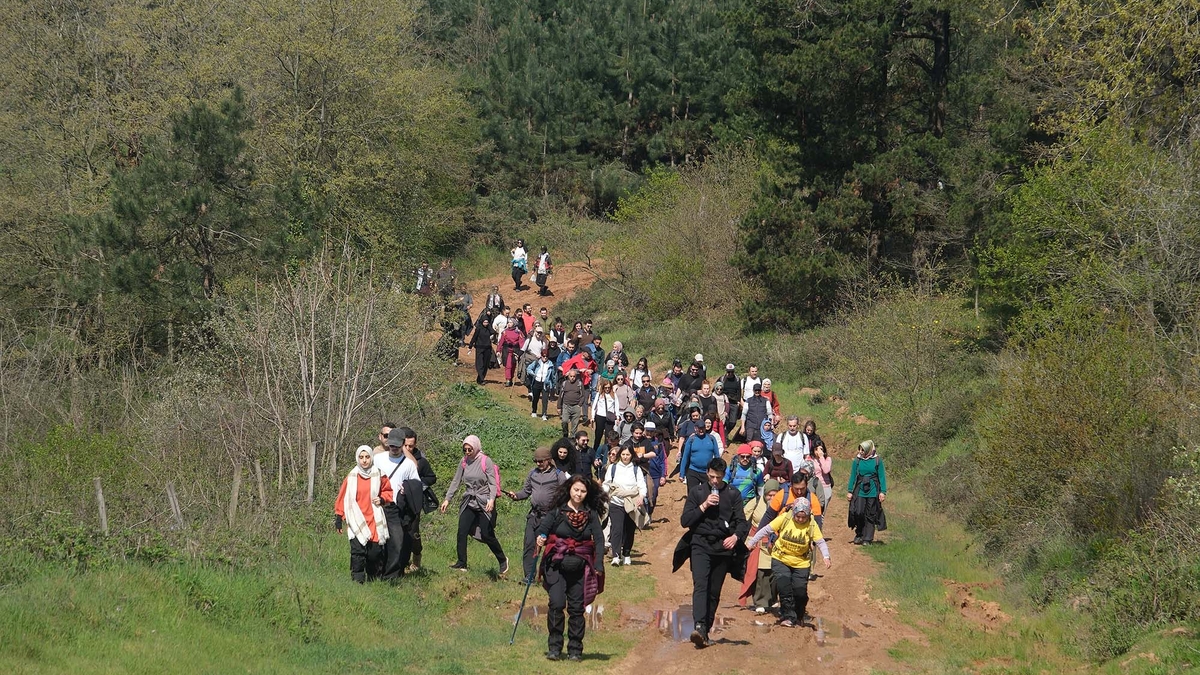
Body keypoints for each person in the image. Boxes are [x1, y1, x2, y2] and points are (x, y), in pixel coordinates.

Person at [673, 457, 749, 648]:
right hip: (700, 545)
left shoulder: (733, 494)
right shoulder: (697, 492)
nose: (715, 481)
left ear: (724, 476)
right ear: (707, 472)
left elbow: (742, 522)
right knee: (701, 585)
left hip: (723, 549)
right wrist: (704, 505)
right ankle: (698, 625)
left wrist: (735, 538)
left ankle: (704, 632)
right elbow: (685, 521)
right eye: (712, 476)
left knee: (714, 592)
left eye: (719, 477)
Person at [536, 476, 607, 662]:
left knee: (576, 609)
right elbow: (543, 529)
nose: (579, 494)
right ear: (569, 489)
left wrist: (598, 563)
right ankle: (554, 648)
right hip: (556, 567)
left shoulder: (590, 514)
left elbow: (599, 539)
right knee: (557, 604)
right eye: (576, 490)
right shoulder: (558, 511)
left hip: (580, 569)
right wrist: (541, 537)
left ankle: (575, 650)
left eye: (583, 491)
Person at [745, 498, 831, 627]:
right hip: (781, 559)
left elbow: (820, 541)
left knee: (800, 592)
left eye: (804, 517)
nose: (801, 520)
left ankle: (799, 614)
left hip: (801, 563)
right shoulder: (785, 518)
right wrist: (752, 542)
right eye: (798, 517)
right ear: (794, 513)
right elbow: (765, 530)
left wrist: (826, 556)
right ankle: (788, 616)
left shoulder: (812, 524)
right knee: (784, 587)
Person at [440, 435, 509, 575]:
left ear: (476, 447)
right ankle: (462, 563)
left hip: (485, 502)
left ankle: (502, 560)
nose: (467, 452)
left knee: (487, 534)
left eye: (469, 449)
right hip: (469, 501)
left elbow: (492, 482)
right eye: (464, 450)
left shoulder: (486, 461)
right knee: (462, 531)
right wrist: (447, 499)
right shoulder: (464, 462)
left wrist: (491, 499)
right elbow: (456, 481)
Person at [506, 447, 567, 581]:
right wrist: (516, 496)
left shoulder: (558, 475)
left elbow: (566, 495)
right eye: (536, 461)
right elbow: (526, 492)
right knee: (529, 545)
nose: (538, 463)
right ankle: (529, 576)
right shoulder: (532, 473)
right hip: (534, 515)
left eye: (541, 461)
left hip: (550, 517)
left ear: (548, 460)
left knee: (548, 548)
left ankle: (550, 575)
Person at [334, 446, 393, 582]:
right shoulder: (351, 476)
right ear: (357, 459)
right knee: (357, 552)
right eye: (361, 457)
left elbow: (388, 491)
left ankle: (373, 578)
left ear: (371, 457)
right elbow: (343, 497)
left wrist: (383, 498)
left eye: (367, 457)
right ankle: (358, 580)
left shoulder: (380, 474)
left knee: (374, 553)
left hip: (373, 518)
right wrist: (339, 516)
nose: (364, 461)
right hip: (355, 518)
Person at [373, 428, 420, 579]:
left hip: (396, 507)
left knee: (396, 542)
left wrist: (406, 489)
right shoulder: (378, 459)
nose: (393, 448)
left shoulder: (409, 465)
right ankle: (376, 573)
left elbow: (416, 486)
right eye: (391, 445)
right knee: (378, 542)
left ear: (402, 445)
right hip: (378, 505)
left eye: (397, 446)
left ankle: (391, 576)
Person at [601, 446, 647, 566]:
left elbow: (641, 485)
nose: (625, 457)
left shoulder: (636, 469)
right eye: (623, 454)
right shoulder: (613, 468)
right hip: (616, 502)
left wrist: (641, 497)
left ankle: (626, 554)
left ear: (631, 455)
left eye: (627, 454)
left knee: (629, 529)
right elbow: (606, 484)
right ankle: (616, 555)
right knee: (617, 529)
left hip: (631, 503)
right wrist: (605, 495)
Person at [740, 479, 781, 613]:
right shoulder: (756, 502)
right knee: (759, 573)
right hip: (757, 542)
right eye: (769, 495)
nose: (772, 498)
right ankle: (760, 602)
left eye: (775, 495)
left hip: (775, 543)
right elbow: (743, 516)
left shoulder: (783, 505)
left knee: (774, 573)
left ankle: (773, 600)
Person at [847, 440, 888, 545]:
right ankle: (859, 533)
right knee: (859, 512)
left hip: (873, 490)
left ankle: (867, 538)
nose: (861, 452)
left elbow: (882, 476)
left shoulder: (877, 460)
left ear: (869, 450)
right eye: (860, 449)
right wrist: (850, 491)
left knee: (870, 514)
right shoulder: (857, 460)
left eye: (863, 450)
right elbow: (853, 476)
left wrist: (883, 492)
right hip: (860, 489)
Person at [679, 415, 720, 490]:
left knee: (707, 494)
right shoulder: (691, 440)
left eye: (703, 428)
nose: (701, 430)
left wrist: (718, 471)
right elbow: (685, 457)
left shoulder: (711, 439)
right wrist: (682, 473)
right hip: (693, 471)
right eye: (699, 428)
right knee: (692, 494)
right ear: (695, 428)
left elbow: (717, 456)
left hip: (707, 472)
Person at [591, 380, 620, 452]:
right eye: (605, 387)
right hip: (600, 416)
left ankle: (606, 451)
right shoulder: (599, 394)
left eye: (609, 388)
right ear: (603, 387)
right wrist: (592, 416)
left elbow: (617, 405)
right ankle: (595, 450)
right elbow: (594, 405)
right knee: (598, 434)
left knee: (609, 435)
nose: (607, 389)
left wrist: (617, 416)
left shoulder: (613, 395)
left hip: (610, 417)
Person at [558, 369, 587, 438]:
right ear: (568, 376)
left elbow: (583, 395)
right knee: (564, 421)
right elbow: (560, 396)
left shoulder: (579, 384)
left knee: (575, 424)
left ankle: (572, 438)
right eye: (571, 376)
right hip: (566, 406)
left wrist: (579, 405)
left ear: (576, 376)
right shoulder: (565, 383)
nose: (572, 378)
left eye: (574, 376)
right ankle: (565, 434)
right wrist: (559, 407)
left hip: (576, 407)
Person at [527, 350, 556, 420]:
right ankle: (534, 412)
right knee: (535, 398)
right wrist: (533, 374)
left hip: (545, 384)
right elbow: (529, 368)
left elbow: (553, 376)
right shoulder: (537, 362)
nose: (545, 358)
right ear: (541, 356)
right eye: (543, 356)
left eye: (546, 357)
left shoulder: (551, 365)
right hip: (537, 382)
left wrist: (553, 385)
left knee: (545, 400)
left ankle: (544, 414)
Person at [468, 315, 495, 385]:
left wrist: (489, 326)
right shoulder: (479, 328)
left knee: (485, 364)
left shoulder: (488, 328)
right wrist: (470, 346)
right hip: (479, 348)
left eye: (487, 322)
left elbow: (493, 332)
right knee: (480, 364)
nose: (486, 323)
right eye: (484, 322)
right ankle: (482, 379)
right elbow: (474, 337)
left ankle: (480, 379)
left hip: (487, 348)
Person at [498, 320, 523, 387]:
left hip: (515, 351)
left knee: (513, 366)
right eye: (508, 322)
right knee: (508, 365)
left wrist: (521, 352)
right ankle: (508, 379)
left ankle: (511, 378)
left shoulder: (518, 332)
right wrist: (498, 350)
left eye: (510, 322)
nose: (509, 324)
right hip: (507, 350)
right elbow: (501, 342)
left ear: (514, 324)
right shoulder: (504, 332)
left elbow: (521, 343)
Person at [813, 443, 834, 511]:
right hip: (814, 487)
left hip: (825, 487)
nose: (818, 451)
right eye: (816, 449)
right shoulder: (811, 460)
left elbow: (826, 470)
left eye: (821, 449)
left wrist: (821, 457)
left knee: (821, 512)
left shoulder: (828, 459)